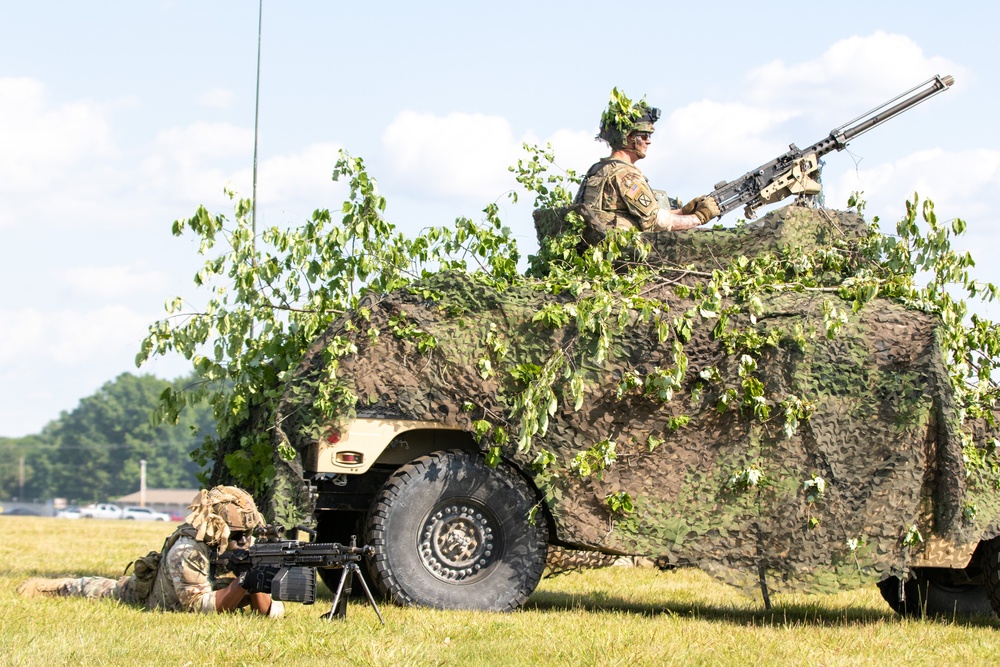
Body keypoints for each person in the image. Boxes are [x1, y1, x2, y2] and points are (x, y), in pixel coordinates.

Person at [17, 486, 284, 618]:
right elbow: (197, 607)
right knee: (95, 588)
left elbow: (268, 613)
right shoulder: (188, 550)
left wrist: (255, 580)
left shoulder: (241, 548)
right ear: (217, 526)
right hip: (148, 597)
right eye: (237, 535)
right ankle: (47, 588)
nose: (244, 542)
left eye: (248, 535)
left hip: (208, 587)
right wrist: (245, 581)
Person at [575, 91, 720, 232]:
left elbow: (643, 213)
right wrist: (699, 217)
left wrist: (683, 211)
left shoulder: (598, 169)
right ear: (628, 137)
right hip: (625, 253)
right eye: (644, 136)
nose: (648, 141)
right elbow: (655, 221)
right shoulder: (626, 176)